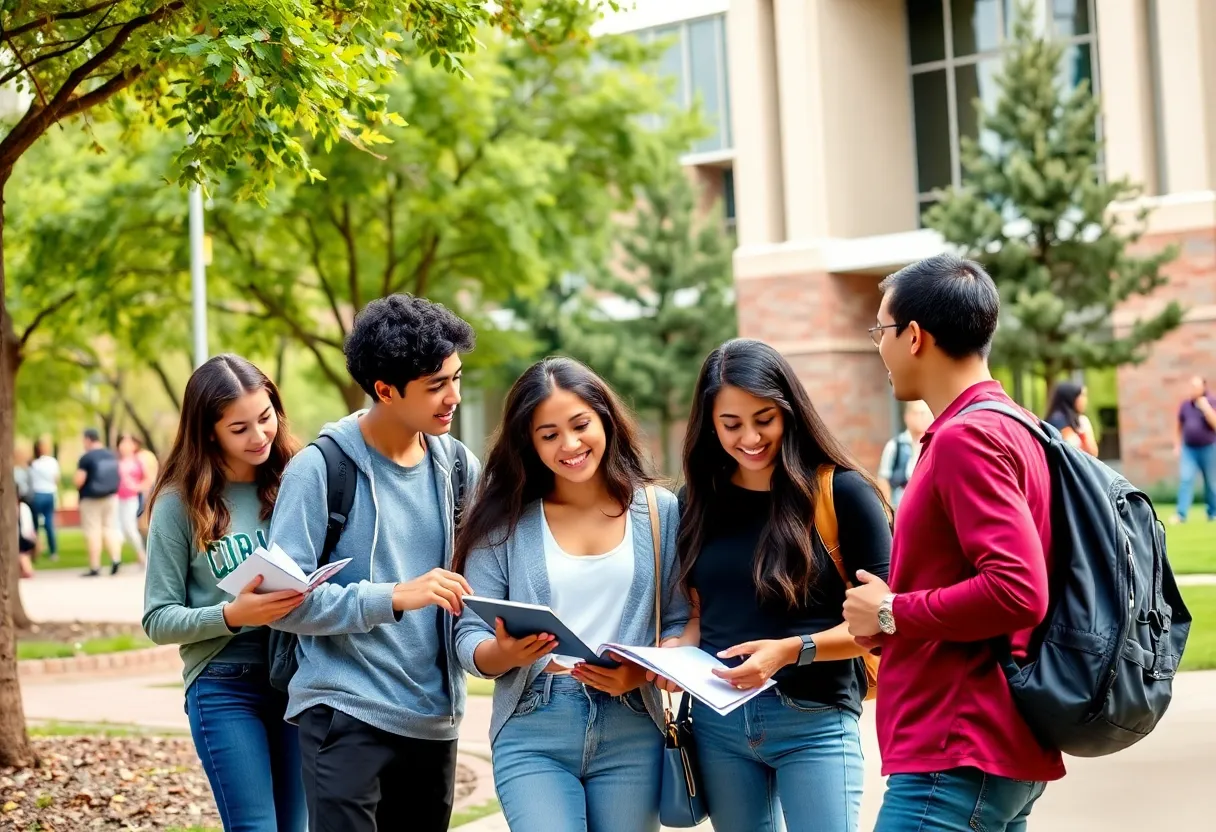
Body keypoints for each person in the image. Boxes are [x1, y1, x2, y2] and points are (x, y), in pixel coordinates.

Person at [845, 253, 1063, 831]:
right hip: (986, 743)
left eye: (881, 332)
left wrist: (892, 611)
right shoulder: (1012, 424)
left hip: (957, 746)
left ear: (914, 336)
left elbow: (1018, 591)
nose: (880, 349)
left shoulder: (969, 438)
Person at [654, 339, 890, 832]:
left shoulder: (843, 493)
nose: (750, 438)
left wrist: (789, 650)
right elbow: (700, 612)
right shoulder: (696, 502)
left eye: (764, 419)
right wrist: (677, 652)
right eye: (731, 424)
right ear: (710, 424)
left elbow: (887, 621)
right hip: (718, 725)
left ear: (790, 410)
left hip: (814, 720)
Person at [268, 294, 479, 832]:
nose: (453, 397)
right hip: (345, 712)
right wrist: (392, 596)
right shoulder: (320, 471)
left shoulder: (457, 467)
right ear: (385, 390)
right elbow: (281, 604)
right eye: (436, 386)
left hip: (434, 719)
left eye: (456, 378)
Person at [452, 357, 690, 832]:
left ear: (605, 418)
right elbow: (468, 637)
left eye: (580, 425)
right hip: (534, 722)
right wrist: (502, 653)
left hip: (632, 724)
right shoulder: (504, 523)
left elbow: (682, 620)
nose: (571, 444)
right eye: (549, 434)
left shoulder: (659, 511)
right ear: (530, 443)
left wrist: (643, 670)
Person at [141, 354, 307, 832]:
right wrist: (233, 614)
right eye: (240, 428)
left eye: (265, 418)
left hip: (296, 677)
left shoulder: (296, 480)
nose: (258, 437)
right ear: (209, 431)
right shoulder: (179, 503)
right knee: (256, 827)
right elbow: (157, 618)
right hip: (223, 683)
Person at [75, 428, 123, 577]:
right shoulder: (111, 455)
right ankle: (116, 559)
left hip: (91, 499)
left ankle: (95, 566)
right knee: (109, 528)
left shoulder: (86, 458)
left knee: (93, 530)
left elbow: (79, 480)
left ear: (88, 439)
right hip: (111, 497)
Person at [1173, 375, 1216, 524]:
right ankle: (1181, 514)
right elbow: (1179, 426)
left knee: (1211, 483)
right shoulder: (1185, 405)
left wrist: (1206, 408)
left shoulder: (1211, 402)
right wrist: (1177, 445)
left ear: (1203, 388)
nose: (1192, 390)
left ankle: (1213, 513)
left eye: (1195, 387)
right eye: (1191, 386)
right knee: (1186, 479)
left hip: (1209, 448)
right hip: (1189, 449)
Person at [876, 400, 932, 509]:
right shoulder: (895, 446)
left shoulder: (933, 444)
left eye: (924, 414)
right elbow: (883, 480)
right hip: (900, 508)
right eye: (917, 413)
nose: (921, 418)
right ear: (907, 417)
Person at [117, 434, 149, 566]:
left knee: (129, 527)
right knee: (118, 529)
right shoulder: (117, 461)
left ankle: (143, 556)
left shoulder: (138, 461)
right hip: (117, 498)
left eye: (127, 442)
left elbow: (148, 479)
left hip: (131, 498)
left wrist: (137, 487)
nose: (124, 446)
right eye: (122, 442)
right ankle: (116, 558)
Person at [1045, 381, 1098, 457]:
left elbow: (1093, 453)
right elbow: (1074, 450)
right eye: (1082, 395)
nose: (1085, 400)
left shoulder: (1076, 420)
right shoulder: (1058, 421)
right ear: (1071, 397)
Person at [29, 439, 60, 561]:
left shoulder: (33, 464)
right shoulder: (52, 462)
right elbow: (56, 479)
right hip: (49, 493)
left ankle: (34, 551)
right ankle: (53, 552)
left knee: (35, 525)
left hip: (37, 494)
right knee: (49, 524)